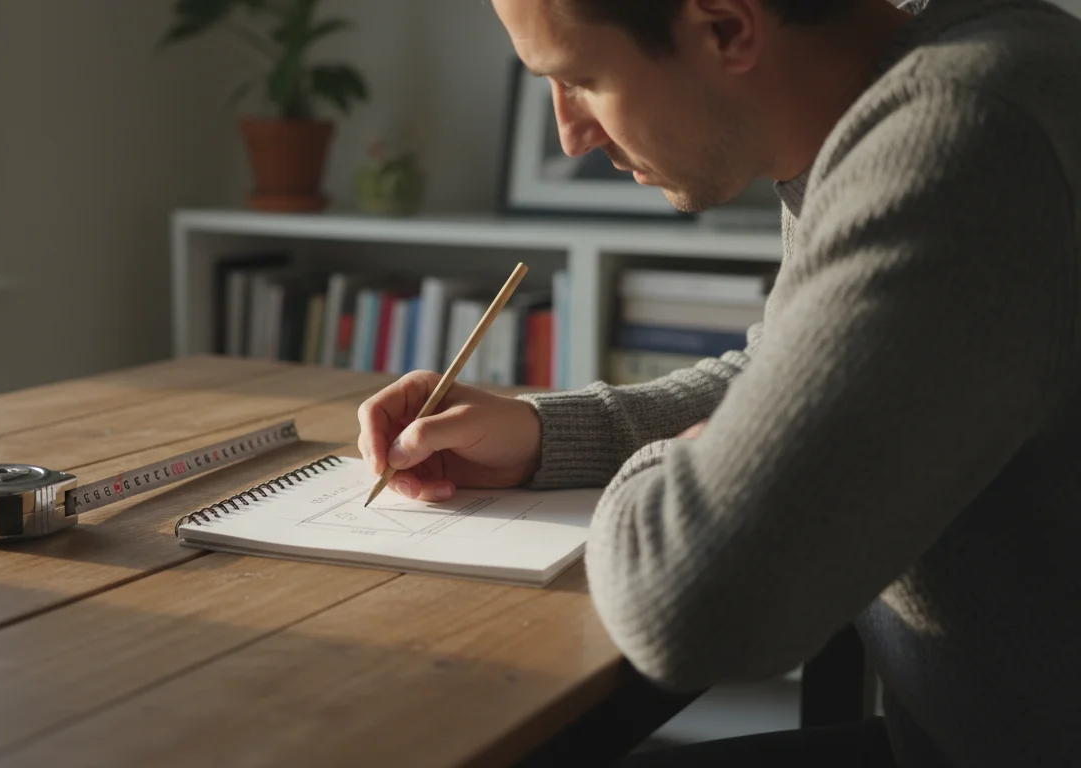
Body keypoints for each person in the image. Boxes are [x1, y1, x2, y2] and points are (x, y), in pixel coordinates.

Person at [355, 0, 1081, 765]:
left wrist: (692, 476)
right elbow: (786, 370)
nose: (569, 134)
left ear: (727, 26)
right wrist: (546, 435)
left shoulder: (959, 137)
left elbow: (694, 602)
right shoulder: (910, 84)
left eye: (580, 79)